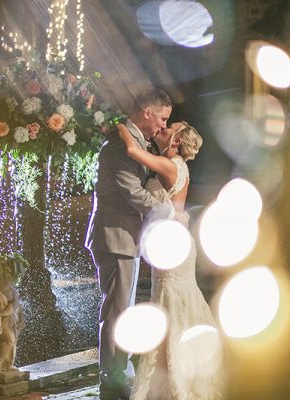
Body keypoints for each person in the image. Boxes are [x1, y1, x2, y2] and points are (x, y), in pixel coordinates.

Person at [117, 122, 226, 400]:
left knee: (171, 304)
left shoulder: (172, 165)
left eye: (169, 128)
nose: (163, 128)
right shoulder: (174, 165)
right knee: (175, 301)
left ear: (175, 141)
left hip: (172, 245)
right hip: (171, 242)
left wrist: (119, 122)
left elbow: (131, 148)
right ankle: (176, 370)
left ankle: (177, 377)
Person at [85, 88, 178, 400]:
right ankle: (112, 377)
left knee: (121, 307)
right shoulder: (117, 145)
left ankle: (117, 371)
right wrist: (165, 205)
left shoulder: (135, 142)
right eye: (162, 118)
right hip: (115, 236)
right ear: (147, 112)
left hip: (125, 236)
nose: (163, 126)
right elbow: (133, 193)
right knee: (117, 311)